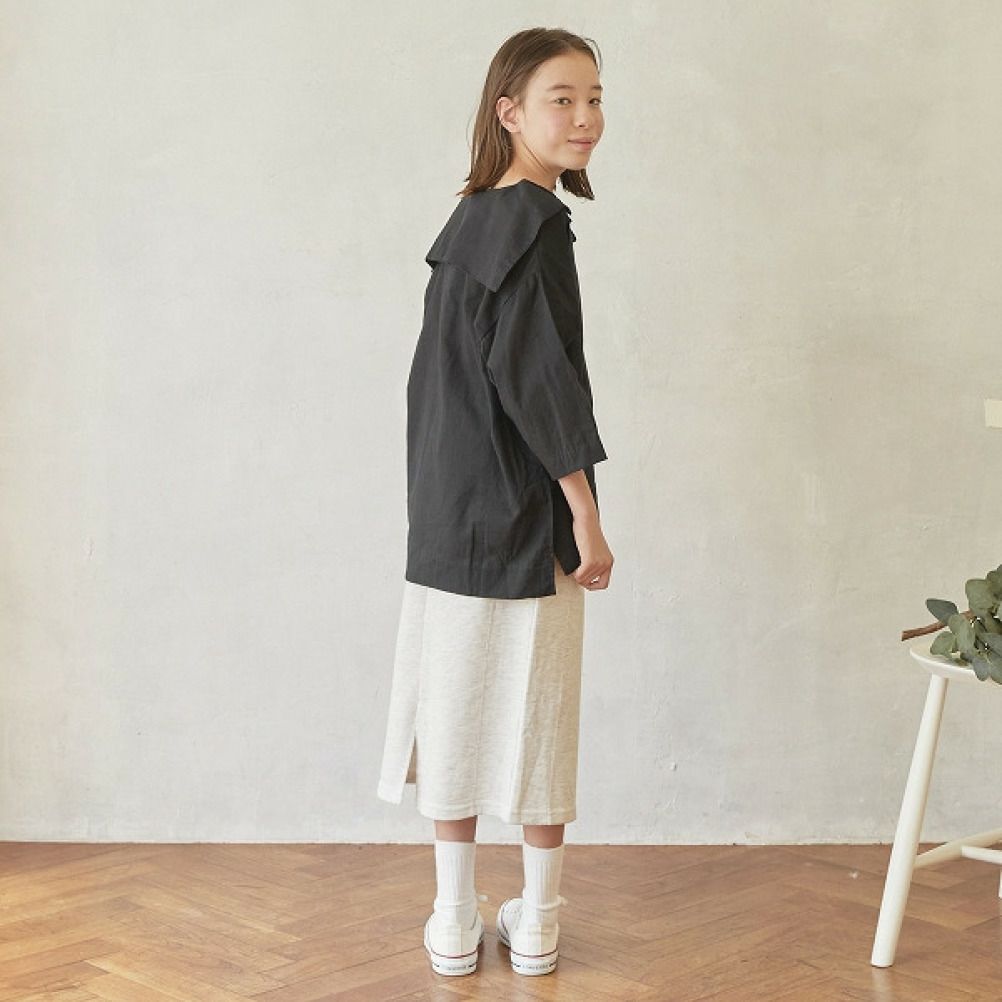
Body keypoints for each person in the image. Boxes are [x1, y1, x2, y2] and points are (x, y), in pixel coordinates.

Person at [376, 26, 614, 978]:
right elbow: (537, 378)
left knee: (455, 708)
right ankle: (539, 919)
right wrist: (584, 510)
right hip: (525, 511)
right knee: (540, 710)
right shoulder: (534, 222)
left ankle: (453, 920)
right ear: (508, 112)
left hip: (449, 512)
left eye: (595, 98)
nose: (586, 117)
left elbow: (442, 384)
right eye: (563, 98)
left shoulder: (471, 219)